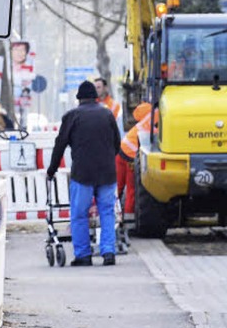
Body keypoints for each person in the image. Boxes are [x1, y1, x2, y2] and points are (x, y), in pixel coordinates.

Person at [47, 80, 121, 266]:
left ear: (79, 98)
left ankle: (83, 255)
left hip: (83, 174)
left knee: (79, 214)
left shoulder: (72, 116)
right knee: (107, 213)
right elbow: (117, 143)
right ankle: (108, 252)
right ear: (95, 98)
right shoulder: (107, 114)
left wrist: (52, 170)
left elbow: (60, 145)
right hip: (107, 173)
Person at [116, 102, 157, 216]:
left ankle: (110, 217)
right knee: (131, 191)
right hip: (132, 157)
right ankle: (129, 218)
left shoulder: (151, 110)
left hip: (122, 149)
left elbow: (136, 114)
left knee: (116, 188)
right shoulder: (167, 119)